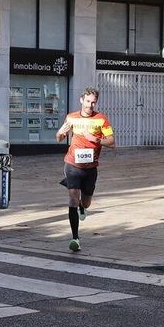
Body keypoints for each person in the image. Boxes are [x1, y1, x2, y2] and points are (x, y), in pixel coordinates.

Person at [55, 87, 114, 253]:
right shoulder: (71, 117)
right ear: (82, 100)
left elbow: (111, 142)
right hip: (72, 164)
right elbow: (59, 138)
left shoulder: (102, 119)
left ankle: (82, 205)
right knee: (72, 199)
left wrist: (94, 138)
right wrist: (60, 133)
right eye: (88, 101)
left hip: (90, 168)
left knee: (86, 202)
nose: (90, 105)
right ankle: (75, 238)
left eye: (93, 102)